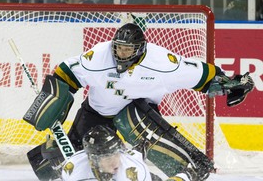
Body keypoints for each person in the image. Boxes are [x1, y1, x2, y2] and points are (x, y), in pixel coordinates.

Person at [25, 22, 254, 180]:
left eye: (127, 50)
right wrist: (53, 97)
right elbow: (66, 73)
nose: (121, 54)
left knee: (165, 157)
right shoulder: (98, 56)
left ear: (141, 49)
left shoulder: (163, 63)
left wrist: (226, 83)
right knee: (52, 163)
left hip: (138, 115)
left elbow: (202, 74)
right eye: (118, 48)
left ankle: (188, 169)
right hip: (97, 113)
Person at [61, 125, 193, 181]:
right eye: (107, 157)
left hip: (138, 172)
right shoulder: (73, 168)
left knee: (136, 155)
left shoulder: (132, 172)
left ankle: (188, 173)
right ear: (93, 160)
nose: (114, 161)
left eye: (116, 154)